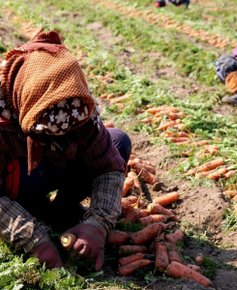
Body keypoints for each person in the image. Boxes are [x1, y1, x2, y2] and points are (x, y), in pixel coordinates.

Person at [0, 30, 131, 270]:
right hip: (16, 181)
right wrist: (32, 239)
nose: (58, 141)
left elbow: (109, 167)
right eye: (47, 135)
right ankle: (34, 211)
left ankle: (63, 210)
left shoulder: (75, 102)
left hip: (49, 170)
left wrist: (99, 223)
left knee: (118, 141)